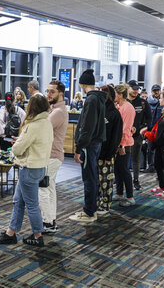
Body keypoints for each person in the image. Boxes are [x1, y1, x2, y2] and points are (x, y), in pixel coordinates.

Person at [0, 94, 53, 246]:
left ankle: (38, 235)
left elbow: (18, 149)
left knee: (31, 204)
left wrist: (17, 143)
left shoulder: (32, 126)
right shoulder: (46, 123)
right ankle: (10, 233)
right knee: (18, 201)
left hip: (29, 168)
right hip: (38, 167)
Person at [69, 69, 107, 223]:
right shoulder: (98, 98)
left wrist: (78, 149)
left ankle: (89, 212)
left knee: (89, 178)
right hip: (94, 143)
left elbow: (87, 127)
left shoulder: (91, 100)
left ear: (82, 85)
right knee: (91, 176)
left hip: (89, 145)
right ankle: (91, 209)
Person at [39, 80, 68, 233]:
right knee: (49, 188)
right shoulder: (53, 109)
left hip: (51, 156)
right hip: (53, 155)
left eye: (52, 92)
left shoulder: (58, 112)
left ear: (60, 94)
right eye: (47, 91)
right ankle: (51, 221)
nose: (48, 94)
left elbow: (42, 130)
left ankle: (47, 222)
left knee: (42, 189)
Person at [96, 85, 123, 215]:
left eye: (103, 93)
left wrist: (109, 155)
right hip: (95, 152)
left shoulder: (114, 114)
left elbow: (116, 137)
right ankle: (96, 203)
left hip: (107, 154)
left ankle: (105, 205)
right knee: (95, 181)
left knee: (106, 181)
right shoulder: (98, 110)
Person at [113, 84, 136, 207]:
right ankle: (120, 193)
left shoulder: (128, 108)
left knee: (125, 170)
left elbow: (125, 128)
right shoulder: (119, 107)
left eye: (115, 94)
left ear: (120, 95)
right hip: (118, 143)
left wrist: (121, 145)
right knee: (118, 169)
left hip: (125, 144)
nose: (114, 96)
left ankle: (130, 197)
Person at [127, 80, 152, 190]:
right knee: (121, 158)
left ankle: (136, 180)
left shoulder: (143, 102)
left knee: (136, 159)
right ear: (128, 88)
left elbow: (149, 118)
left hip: (137, 135)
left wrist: (144, 129)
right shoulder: (123, 102)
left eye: (137, 89)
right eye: (134, 88)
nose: (136, 91)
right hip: (124, 135)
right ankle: (119, 178)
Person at [144, 84, 163, 173]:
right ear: (151, 92)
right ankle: (151, 166)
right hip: (151, 129)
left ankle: (158, 167)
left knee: (159, 149)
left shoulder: (163, 102)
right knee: (150, 149)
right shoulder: (147, 102)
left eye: (158, 90)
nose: (156, 92)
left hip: (160, 129)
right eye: (155, 90)